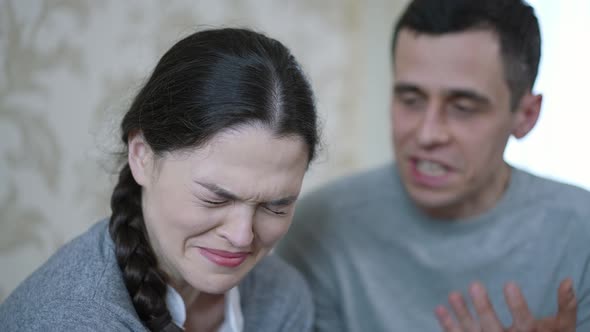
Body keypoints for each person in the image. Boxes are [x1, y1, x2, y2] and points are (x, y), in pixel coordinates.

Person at [276, 0, 590, 331]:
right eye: (410, 100)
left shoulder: (580, 234)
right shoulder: (319, 229)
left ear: (526, 116)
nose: (427, 134)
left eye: (463, 107)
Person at [0, 28, 319, 332]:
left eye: (275, 206)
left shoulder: (280, 299)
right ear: (142, 157)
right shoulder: (71, 318)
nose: (241, 236)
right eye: (215, 198)